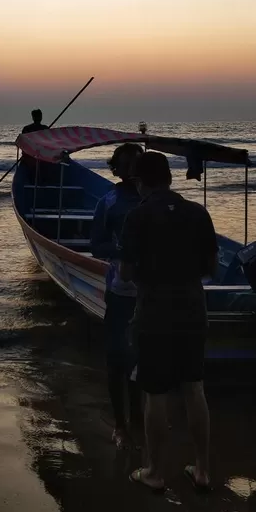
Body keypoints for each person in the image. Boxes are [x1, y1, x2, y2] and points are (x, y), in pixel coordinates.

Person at [119, 151, 217, 494]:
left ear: (140, 182)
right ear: (171, 178)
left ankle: (155, 472)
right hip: (193, 307)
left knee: (155, 392)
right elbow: (212, 267)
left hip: (154, 311)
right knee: (194, 387)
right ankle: (202, 470)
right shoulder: (198, 213)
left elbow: (126, 272)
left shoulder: (137, 216)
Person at [90, 143, 144, 449]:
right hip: (120, 292)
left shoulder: (154, 200)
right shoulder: (108, 201)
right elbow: (96, 244)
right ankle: (121, 425)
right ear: (117, 169)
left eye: (138, 165)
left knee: (143, 359)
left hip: (152, 293)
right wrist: (123, 252)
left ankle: (139, 420)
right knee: (116, 359)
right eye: (126, 165)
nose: (132, 171)